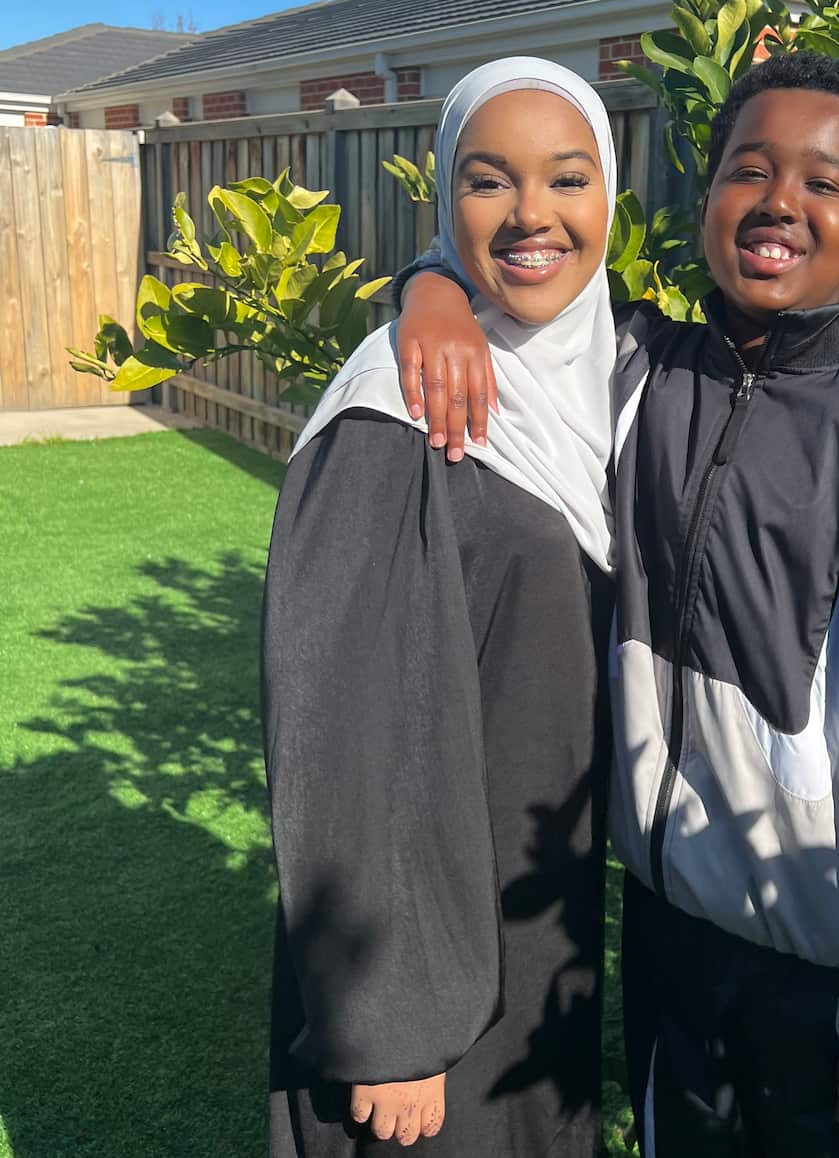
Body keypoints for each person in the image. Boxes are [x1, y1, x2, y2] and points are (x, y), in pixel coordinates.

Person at [393, 52, 839, 1158]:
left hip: (830, 978)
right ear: (705, 195)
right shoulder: (632, 375)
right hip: (668, 942)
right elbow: (513, 281)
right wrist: (428, 289)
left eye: (823, 184)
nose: (780, 202)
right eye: (749, 170)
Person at [262, 59, 623, 1157]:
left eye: (567, 179)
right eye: (485, 181)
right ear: (444, 206)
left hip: (537, 917)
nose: (531, 216)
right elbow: (344, 730)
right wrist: (390, 1028)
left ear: (609, 195)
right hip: (428, 967)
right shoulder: (396, 412)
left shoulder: (603, 371)